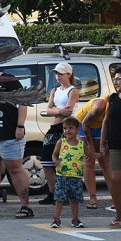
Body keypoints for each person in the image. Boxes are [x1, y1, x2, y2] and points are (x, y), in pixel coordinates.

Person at [0, 67, 33, 219]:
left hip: (8, 131)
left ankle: (25, 205)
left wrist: (20, 125)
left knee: (15, 168)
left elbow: (23, 102)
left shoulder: (8, 79)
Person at [99, 66, 121, 229]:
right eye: (115, 79)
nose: (116, 81)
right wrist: (102, 143)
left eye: (119, 78)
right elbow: (106, 122)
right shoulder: (112, 98)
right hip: (115, 145)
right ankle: (119, 216)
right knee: (116, 180)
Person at [39, 62, 79, 205]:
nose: (58, 76)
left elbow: (68, 110)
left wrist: (56, 110)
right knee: (46, 160)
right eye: (56, 73)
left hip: (65, 128)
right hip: (54, 127)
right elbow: (48, 109)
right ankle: (53, 192)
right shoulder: (54, 91)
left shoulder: (72, 91)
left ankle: (65, 193)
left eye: (61, 73)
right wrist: (58, 111)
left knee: (63, 160)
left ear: (69, 74)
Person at [51, 117, 92, 228]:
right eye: (65, 128)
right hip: (62, 176)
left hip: (76, 176)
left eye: (70, 128)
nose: (67, 131)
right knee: (59, 199)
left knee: (74, 199)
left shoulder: (81, 144)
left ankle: (75, 219)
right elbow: (54, 154)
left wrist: (100, 154)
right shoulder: (61, 142)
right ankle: (56, 219)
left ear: (77, 130)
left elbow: (89, 154)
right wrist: (55, 161)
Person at [75, 96, 111, 209]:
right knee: (89, 160)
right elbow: (85, 123)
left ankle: (115, 197)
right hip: (84, 124)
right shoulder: (99, 107)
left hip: (101, 126)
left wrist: (103, 144)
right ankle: (92, 198)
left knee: (105, 160)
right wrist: (90, 146)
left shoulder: (117, 107)